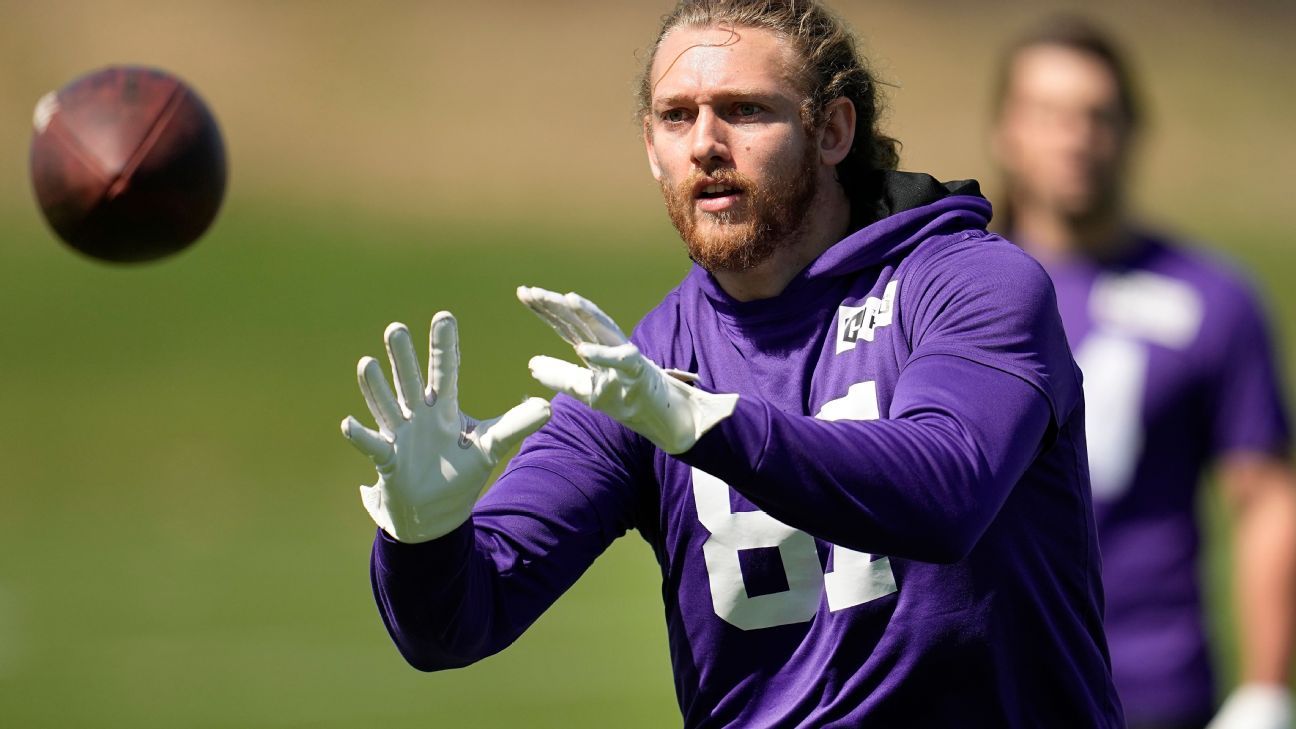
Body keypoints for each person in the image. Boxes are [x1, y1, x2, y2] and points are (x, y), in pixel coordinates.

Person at [341, 1, 1124, 725]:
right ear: (652, 150)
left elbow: (946, 489)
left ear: (833, 132)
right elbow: (458, 623)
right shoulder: (646, 367)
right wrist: (423, 538)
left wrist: (707, 425)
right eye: (677, 117)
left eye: (745, 111)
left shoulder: (968, 282)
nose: (707, 144)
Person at [991, 16, 1296, 729]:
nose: (1075, 138)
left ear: (1132, 130)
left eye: (1097, 115)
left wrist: (1266, 689)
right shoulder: (943, 294)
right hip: (987, 679)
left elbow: (1267, 499)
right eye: (1050, 114)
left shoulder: (1213, 298)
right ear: (1006, 130)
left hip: (1155, 686)